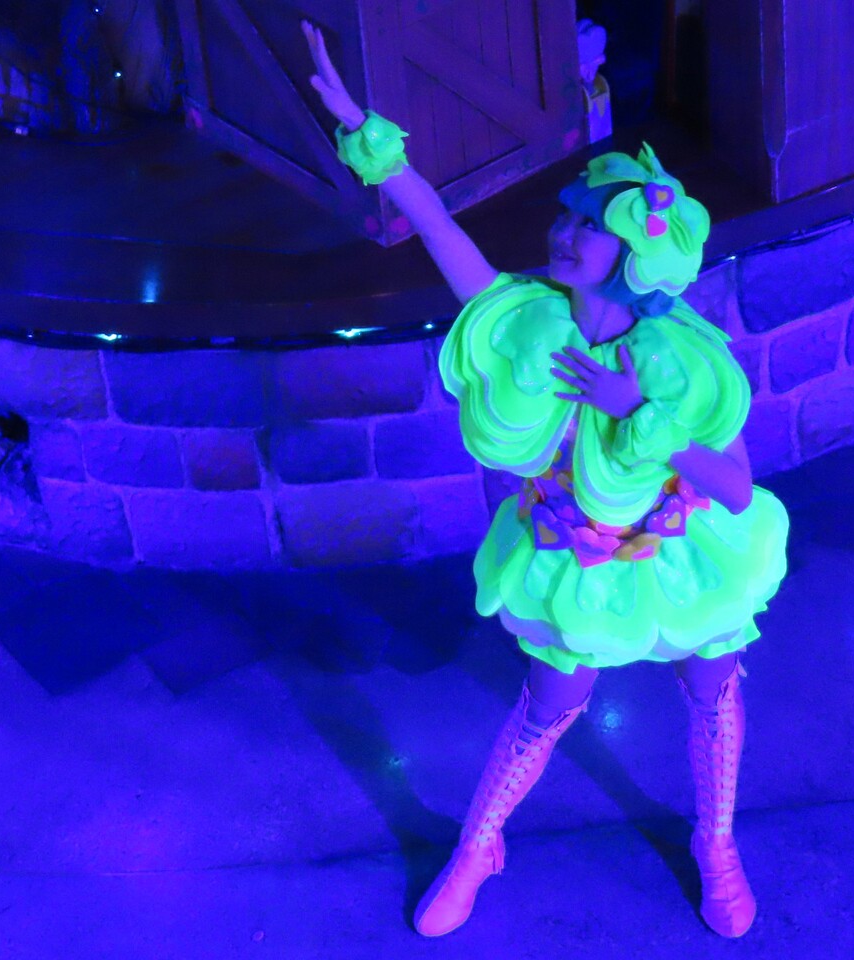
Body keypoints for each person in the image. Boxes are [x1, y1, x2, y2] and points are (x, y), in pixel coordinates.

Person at [302, 21, 788, 939]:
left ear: (635, 255)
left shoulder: (681, 360)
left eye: (589, 227)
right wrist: (364, 133)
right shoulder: (531, 321)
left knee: (712, 682)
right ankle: (479, 844)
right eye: (567, 217)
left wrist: (639, 415)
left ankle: (717, 841)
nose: (563, 234)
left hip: (682, 552)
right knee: (552, 700)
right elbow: (439, 228)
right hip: (571, 556)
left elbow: (733, 490)